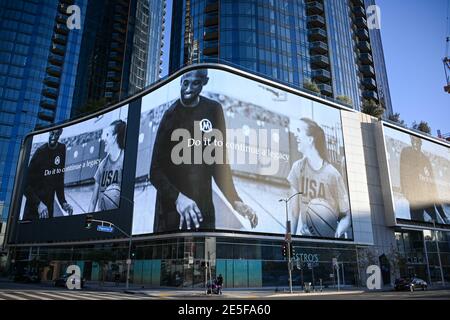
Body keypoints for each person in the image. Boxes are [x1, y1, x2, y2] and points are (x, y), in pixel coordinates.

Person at [150, 69, 258, 232]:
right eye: (185, 83)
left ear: (204, 83)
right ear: (180, 82)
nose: (188, 89)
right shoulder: (170, 116)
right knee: (171, 256)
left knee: (207, 255)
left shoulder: (214, 110)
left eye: (195, 84)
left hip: (203, 209)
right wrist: (179, 198)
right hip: (172, 211)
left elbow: (219, 162)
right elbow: (155, 171)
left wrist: (235, 200)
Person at [287, 118, 351, 238]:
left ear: (310, 139)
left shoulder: (333, 175)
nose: (295, 134)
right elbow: (294, 212)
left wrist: (336, 232)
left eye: (299, 131)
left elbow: (347, 216)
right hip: (307, 238)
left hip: (330, 242)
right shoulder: (297, 168)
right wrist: (290, 239)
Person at [23, 128, 73, 220]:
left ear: (60, 134)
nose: (53, 137)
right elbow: (25, 185)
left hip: (48, 209)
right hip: (33, 210)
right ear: (49, 132)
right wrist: (38, 204)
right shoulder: (40, 152)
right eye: (52, 134)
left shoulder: (61, 149)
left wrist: (63, 202)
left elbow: (59, 179)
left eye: (56, 134)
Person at [399, 136, 448, 224]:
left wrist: (442, 213)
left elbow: (432, 181)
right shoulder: (406, 152)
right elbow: (402, 172)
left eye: (418, 142)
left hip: (427, 196)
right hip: (414, 196)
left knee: (435, 222)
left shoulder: (425, 159)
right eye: (413, 142)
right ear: (411, 142)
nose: (415, 144)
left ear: (421, 144)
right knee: (417, 222)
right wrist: (405, 191)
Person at [88, 120, 127, 212]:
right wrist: (87, 225)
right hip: (101, 218)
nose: (104, 139)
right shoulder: (103, 164)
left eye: (107, 135)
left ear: (115, 137)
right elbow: (93, 201)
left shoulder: (125, 161)